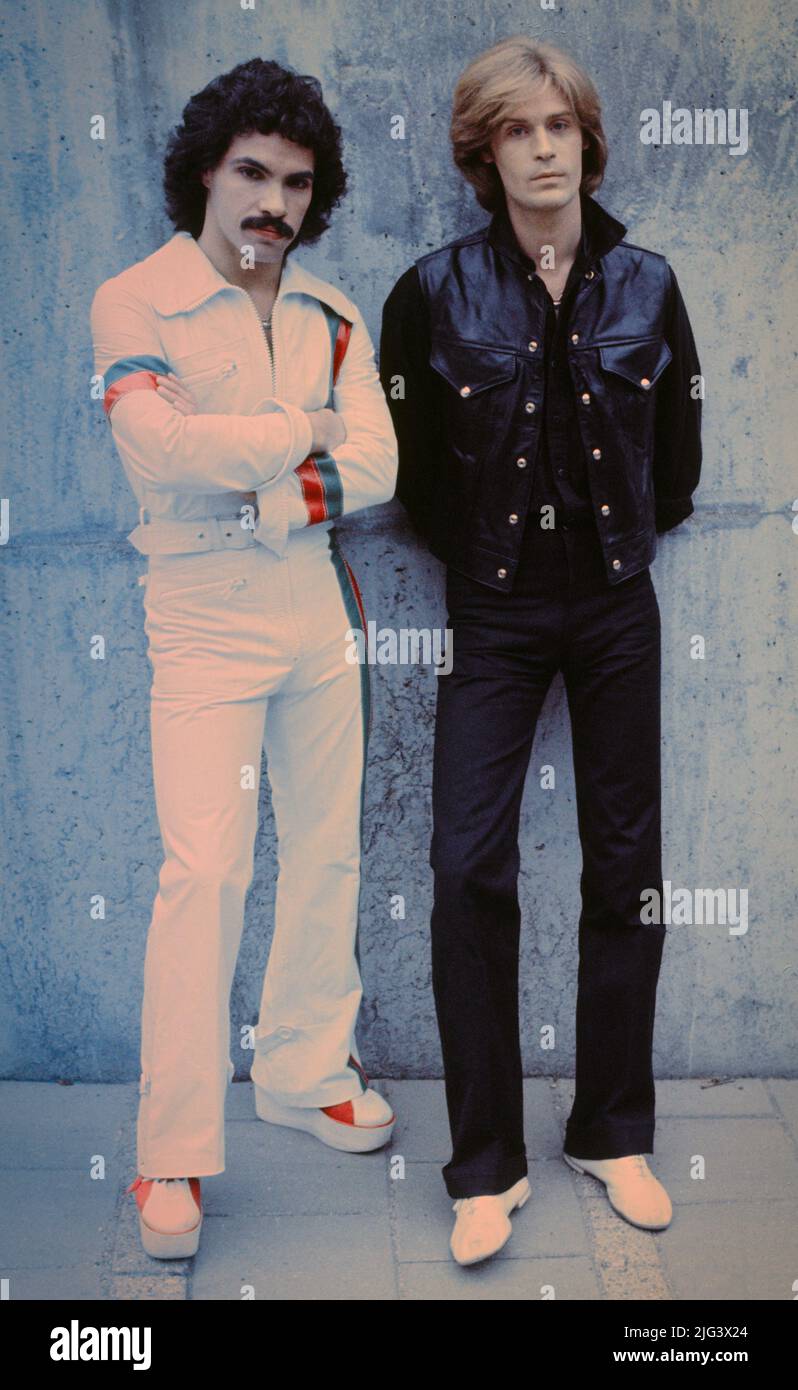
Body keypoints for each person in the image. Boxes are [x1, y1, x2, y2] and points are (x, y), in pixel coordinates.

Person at [379, 35, 702, 1266]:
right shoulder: (435, 289)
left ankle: (610, 1132)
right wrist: (494, 555)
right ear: (485, 151)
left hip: (617, 599)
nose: (545, 148)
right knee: (467, 868)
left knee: (628, 866)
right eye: (519, 130)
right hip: (497, 606)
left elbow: (678, 463)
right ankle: (484, 1165)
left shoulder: (649, 285)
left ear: (588, 142)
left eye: (561, 126)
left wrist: (603, 541)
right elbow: (414, 474)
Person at [90, 57, 398, 1260]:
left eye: (297, 184)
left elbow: (376, 465)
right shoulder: (136, 300)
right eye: (253, 174)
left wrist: (275, 482)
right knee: (205, 871)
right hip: (201, 610)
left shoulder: (331, 311)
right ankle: (171, 1148)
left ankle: (305, 1069)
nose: (274, 203)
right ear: (208, 174)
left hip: (312, 597)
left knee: (326, 843)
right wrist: (300, 431)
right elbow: (156, 453)